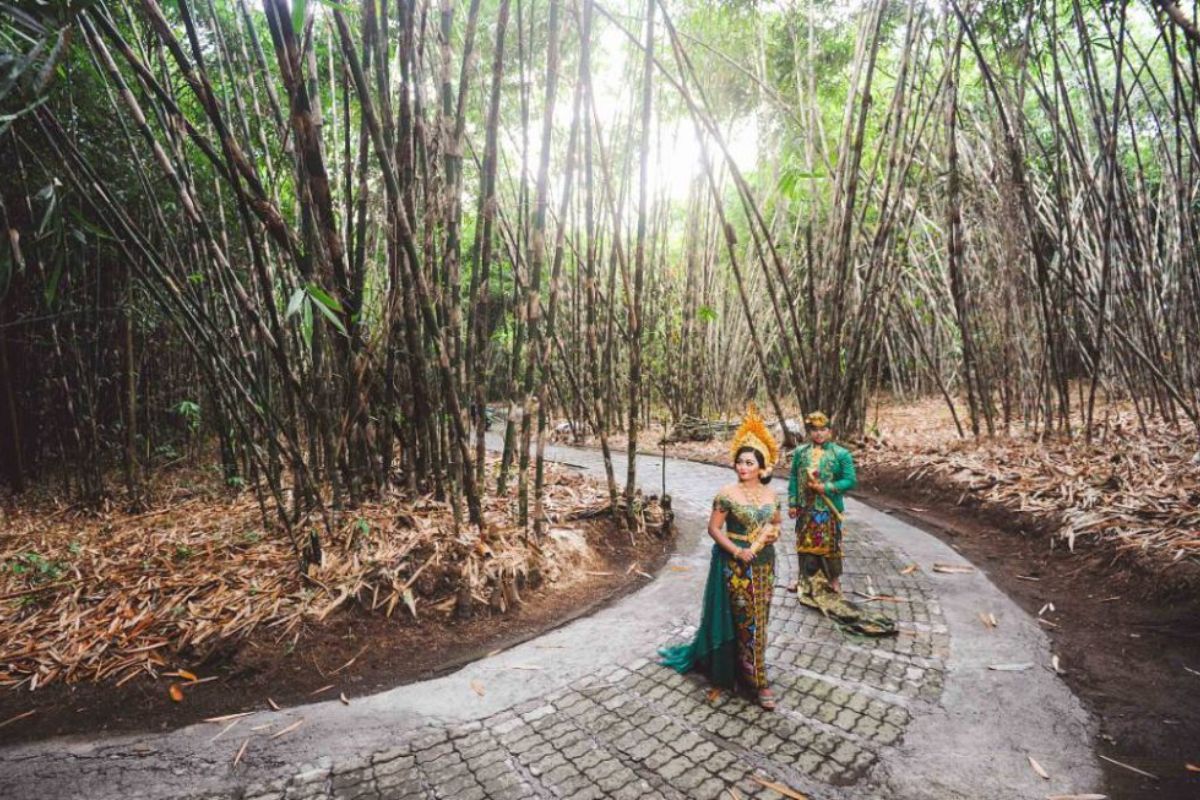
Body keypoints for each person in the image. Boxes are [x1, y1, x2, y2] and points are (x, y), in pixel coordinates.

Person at [659, 405, 781, 710]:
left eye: (750, 463)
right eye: (740, 462)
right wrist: (738, 550)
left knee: (760, 620)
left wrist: (771, 535)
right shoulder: (727, 493)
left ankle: (750, 667)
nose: (743, 467)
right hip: (736, 565)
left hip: (765, 563)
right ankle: (757, 679)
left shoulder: (771, 495)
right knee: (744, 620)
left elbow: (776, 523)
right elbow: (713, 529)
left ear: (762, 467)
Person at [788, 411, 895, 637]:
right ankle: (804, 579)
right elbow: (794, 479)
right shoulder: (800, 453)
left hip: (828, 508)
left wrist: (826, 488)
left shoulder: (841, 454)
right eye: (814, 430)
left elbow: (850, 480)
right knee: (803, 543)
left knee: (830, 546)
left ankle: (833, 581)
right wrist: (792, 502)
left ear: (830, 431)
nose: (818, 434)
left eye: (822, 429)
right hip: (805, 509)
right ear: (809, 432)